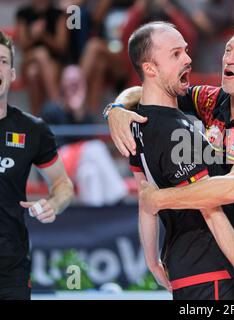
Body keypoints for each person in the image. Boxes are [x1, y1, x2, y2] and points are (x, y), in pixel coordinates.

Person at [105, 23, 234, 300]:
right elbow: (154, 86)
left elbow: (231, 189)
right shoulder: (212, 100)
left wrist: (157, 200)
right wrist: (116, 108)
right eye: (228, 49)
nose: (230, 58)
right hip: (230, 257)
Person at [0, 31, 74, 300]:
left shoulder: (32, 130)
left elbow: (63, 184)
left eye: (3, 61)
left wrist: (53, 204)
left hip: (11, 267)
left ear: (13, 74)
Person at [41, 65, 128, 206]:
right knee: (96, 148)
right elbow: (54, 145)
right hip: (56, 165)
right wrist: (70, 110)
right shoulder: (51, 109)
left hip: (78, 166)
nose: (73, 85)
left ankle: (94, 220)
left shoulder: (85, 112)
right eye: (69, 81)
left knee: (89, 173)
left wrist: (79, 113)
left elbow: (88, 142)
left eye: (77, 82)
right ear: (62, 83)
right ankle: (118, 195)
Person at [15, 0, 69, 115]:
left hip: (52, 61)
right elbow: (22, 46)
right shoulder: (24, 13)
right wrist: (34, 36)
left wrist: (44, 35)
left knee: (33, 72)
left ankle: (36, 119)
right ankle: (56, 102)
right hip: (30, 58)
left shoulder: (58, 14)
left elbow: (61, 46)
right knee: (41, 54)